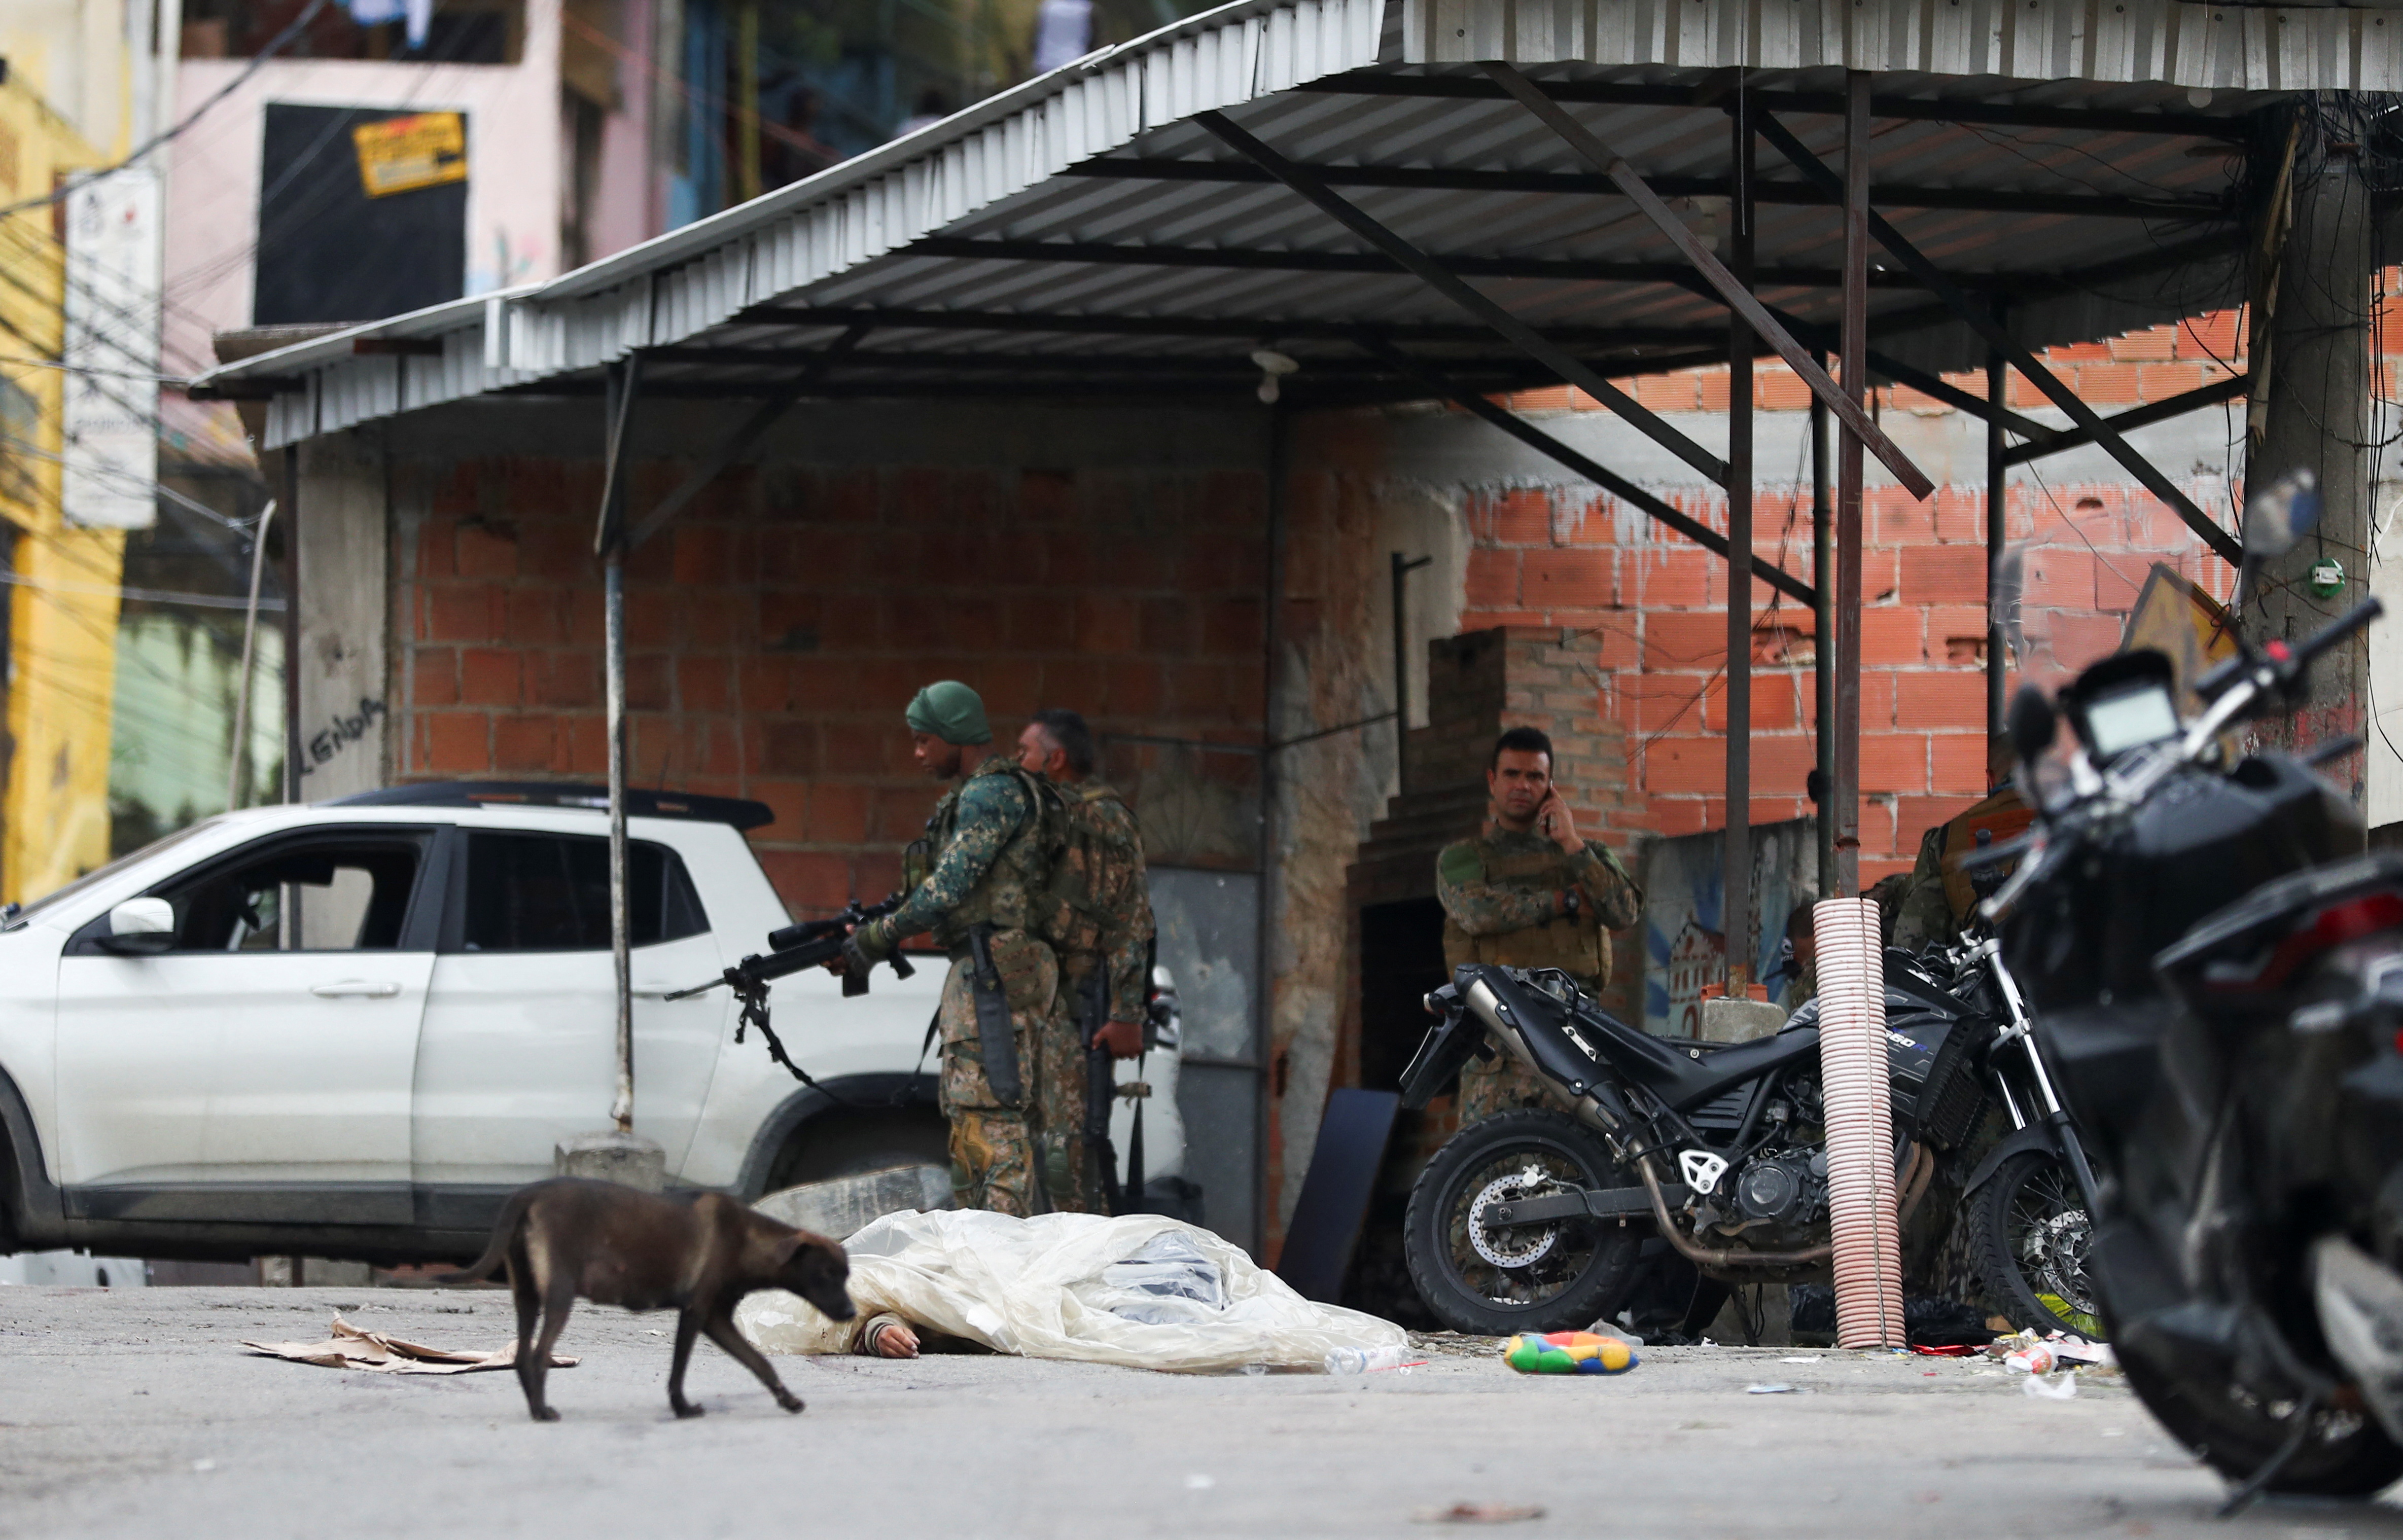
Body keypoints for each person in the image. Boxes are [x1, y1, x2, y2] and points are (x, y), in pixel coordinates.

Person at [842, 682, 1060, 1216]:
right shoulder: (986, 793)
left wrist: (874, 939)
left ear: (955, 736)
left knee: (993, 1114)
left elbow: (947, 890)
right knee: (973, 1113)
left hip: (994, 968)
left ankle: (1001, 1251)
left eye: (924, 741)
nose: (917, 754)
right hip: (986, 965)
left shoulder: (990, 794)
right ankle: (979, 1242)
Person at [1435, 726, 1645, 1123]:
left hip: (1573, 1035)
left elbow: (1625, 912)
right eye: (1512, 774)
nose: (1522, 785)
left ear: (1552, 787)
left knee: (1581, 1166)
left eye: (1535, 776)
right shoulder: (1463, 858)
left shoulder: (1587, 855)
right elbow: (1478, 912)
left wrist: (1572, 845)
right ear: (1492, 780)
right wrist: (1563, 901)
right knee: (1488, 1170)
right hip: (1497, 1038)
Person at [1016, 707, 1152, 1214]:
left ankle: (1085, 1272)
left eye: (1025, 751)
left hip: (1077, 1010)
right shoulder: (1037, 817)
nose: (1016, 761)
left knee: (1071, 1155)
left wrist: (1125, 1013)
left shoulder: (1103, 818)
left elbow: (1131, 919)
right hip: (1031, 1006)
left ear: (1055, 759)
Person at [1890, 738, 2032, 954]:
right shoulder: (2077, 817)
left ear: (1991, 779)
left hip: (1991, 976)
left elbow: (1914, 938)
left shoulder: (1946, 837)